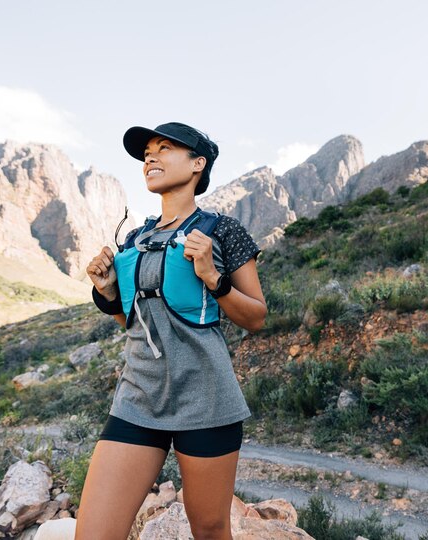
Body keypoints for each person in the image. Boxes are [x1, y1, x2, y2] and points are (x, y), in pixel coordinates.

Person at [77, 121, 267, 540]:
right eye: (147, 151)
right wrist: (107, 292)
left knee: (210, 529)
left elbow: (255, 317)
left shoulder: (222, 231)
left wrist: (214, 278)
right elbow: (131, 322)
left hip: (205, 398)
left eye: (164, 148)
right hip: (138, 397)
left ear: (198, 163)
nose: (150, 156)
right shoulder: (135, 238)